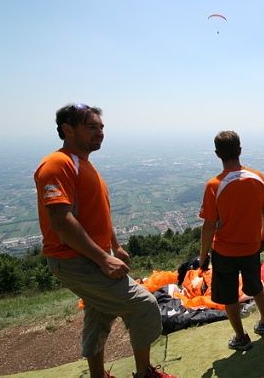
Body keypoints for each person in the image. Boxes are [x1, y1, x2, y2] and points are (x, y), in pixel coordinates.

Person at [34, 103, 176, 378]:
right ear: (67, 130)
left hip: (89, 256)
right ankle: (145, 373)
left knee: (99, 313)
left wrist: (115, 246)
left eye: (101, 127)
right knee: (144, 306)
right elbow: (60, 220)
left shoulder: (83, 164)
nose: (99, 132)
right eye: (91, 127)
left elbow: (96, 213)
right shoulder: (58, 163)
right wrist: (103, 258)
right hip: (74, 258)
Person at [199, 130, 264, 351]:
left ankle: (241, 337)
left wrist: (203, 256)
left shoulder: (214, 185)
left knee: (229, 295)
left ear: (217, 154)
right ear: (240, 150)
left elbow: (209, 226)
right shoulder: (258, 178)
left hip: (224, 251)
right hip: (252, 247)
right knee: (256, 285)